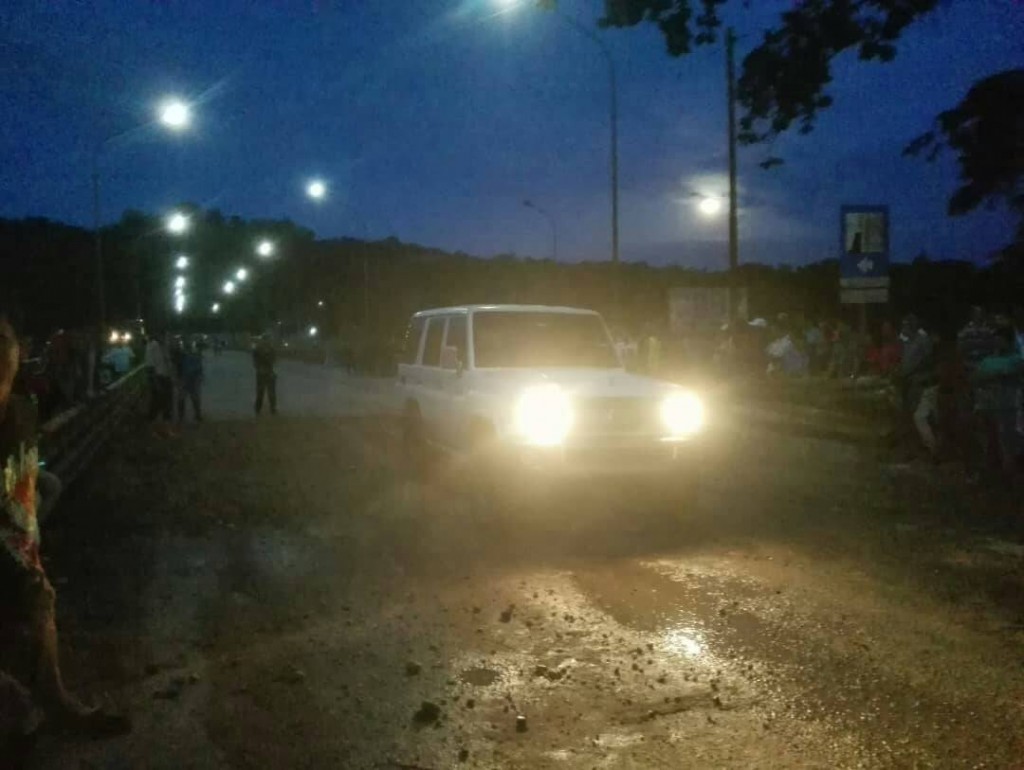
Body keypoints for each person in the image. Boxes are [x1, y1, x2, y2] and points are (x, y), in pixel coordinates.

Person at [0, 302, 129, 754]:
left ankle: (43, 706)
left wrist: (27, 541)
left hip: (18, 545)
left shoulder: (19, 412)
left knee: (37, 607)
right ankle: (24, 707)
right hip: (12, 549)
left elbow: (27, 481)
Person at [144, 332, 174, 437]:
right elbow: (150, 367)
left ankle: (166, 429)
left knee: (168, 404)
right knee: (156, 404)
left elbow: (168, 362)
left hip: (166, 377)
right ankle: (151, 430)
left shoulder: (164, 346)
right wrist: (155, 383)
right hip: (158, 378)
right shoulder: (152, 346)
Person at [175, 338, 204, 423]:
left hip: (187, 379)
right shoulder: (191, 356)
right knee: (192, 398)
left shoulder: (184, 356)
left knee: (184, 398)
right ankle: (196, 416)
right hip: (189, 379)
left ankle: (183, 417)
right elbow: (199, 369)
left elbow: (199, 369)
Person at [253, 334, 277, 415]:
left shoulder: (258, 349)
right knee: (268, 392)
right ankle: (271, 409)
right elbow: (274, 360)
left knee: (262, 392)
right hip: (266, 372)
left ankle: (259, 409)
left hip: (264, 373)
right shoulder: (269, 349)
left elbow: (255, 362)